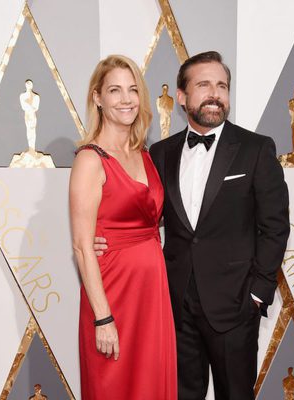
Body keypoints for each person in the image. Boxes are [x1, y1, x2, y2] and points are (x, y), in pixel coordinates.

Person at [95, 51, 290, 400]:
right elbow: (143, 218)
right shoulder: (160, 154)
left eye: (222, 86)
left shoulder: (256, 149)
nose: (215, 93)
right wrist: (106, 240)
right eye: (204, 85)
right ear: (182, 97)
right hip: (173, 305)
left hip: (235, 305)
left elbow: (275, 226)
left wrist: (257, 293)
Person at [70, 54, 177, 400]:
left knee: (151, 383)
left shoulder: (143, 153)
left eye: (133, 90)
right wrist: (103, 318)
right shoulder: (90, 159)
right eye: (115, 90)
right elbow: (83, 246)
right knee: (114, 385)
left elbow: (148, 215)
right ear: (97, 98)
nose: (126, 99)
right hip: (114, 293)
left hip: (151, 291)